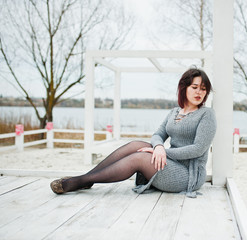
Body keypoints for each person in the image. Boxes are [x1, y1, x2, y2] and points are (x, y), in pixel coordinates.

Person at [50, 68, 217, 198]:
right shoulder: (175, 112)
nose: (199, 92)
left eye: (203, 89)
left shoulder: (206, 114)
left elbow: (198, 149)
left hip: (189, 174)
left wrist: (163, 151)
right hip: (170, 162)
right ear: (184, 88)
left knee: (140, 157)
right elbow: (158, 134)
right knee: (136, 145)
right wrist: (158, 146)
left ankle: (81, 181)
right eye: (194, 87)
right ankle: (86, 179)